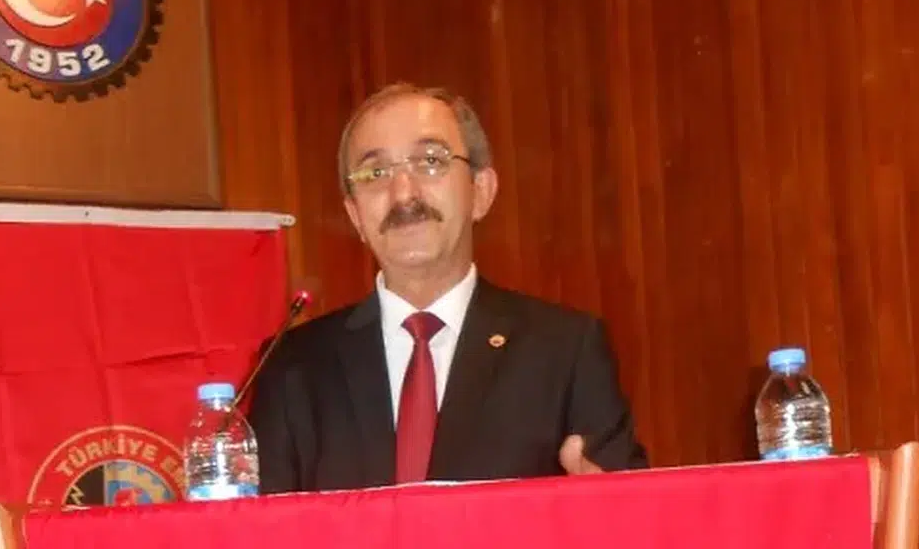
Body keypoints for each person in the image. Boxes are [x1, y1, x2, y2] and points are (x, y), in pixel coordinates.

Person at [248, 83, 648, 494]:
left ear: (481, 191)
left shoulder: (565, 352)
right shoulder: (292, 368)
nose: (404, 194)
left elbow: (634, 512)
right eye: (375, 173)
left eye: (430, 161)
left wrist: (610, 508)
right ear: (355, 215)